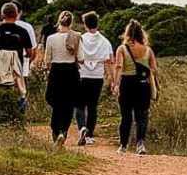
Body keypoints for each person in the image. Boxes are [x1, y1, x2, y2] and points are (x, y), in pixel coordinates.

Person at [113, 19, 158, 156]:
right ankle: (140, 144)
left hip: (127, 84)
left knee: (126, 116)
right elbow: (154, 69)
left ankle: (123, 145)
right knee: (142, 116)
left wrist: (115, 83)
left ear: (127, 33)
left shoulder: (122, 49)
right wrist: (145, 70)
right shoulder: (148, 50)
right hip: (143, 85)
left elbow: (119, 67)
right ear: (141, 34)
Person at [43, 11, 84, 146]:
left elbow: (47, 60)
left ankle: (56, 133)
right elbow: (81, 58)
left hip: (56, 71)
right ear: (71, 22)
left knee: (56, 103)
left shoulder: (51, 38)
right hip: (71, 71)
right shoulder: (76, 37)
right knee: (69, 104)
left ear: (59, 21)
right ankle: (63, 131)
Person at [75, 11, 114, 147]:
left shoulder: (80, 39)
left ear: (85, 25)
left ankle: (82, 127)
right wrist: (114, 80)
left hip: (82, 75)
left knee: (79, 105)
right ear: (97, 24)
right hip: (97, 77)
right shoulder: (105, 41)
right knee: (92, 106)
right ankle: (90, 135)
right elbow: (110, 61)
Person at [12, 1, 37, 88]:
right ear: (20, 12)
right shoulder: (27, 27)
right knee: (22, 90)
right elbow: (33, 50)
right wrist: (28, 63)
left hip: (5, 66)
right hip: (23, 63)